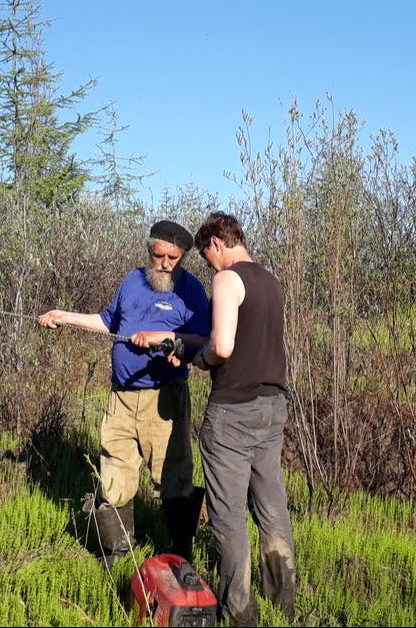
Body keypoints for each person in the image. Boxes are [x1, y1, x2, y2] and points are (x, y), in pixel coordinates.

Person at [37, 220, 210, 568]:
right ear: (149, 249)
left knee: (172, 475)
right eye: (158, 254)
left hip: (164, 399)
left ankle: (179, 555)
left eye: (172, 258)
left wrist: (163, 338)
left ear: (183, 257)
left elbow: (204, 341)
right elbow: (108, 321)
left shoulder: (190, 291)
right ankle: (116, 553)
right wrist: (64, 316)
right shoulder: (132, 281)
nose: (164, 263)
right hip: (121, 396)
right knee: (114, 472)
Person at [185, 211, 297, 626]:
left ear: (216, 243)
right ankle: (283, 602)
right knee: (272, 507)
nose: (208, 264)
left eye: (206, 255)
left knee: (227, 514)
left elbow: (224, 346)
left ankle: (240, 613)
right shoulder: (270, 281)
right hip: (272, 408)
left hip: (232, 413)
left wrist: (199, 357)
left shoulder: (226, 279)